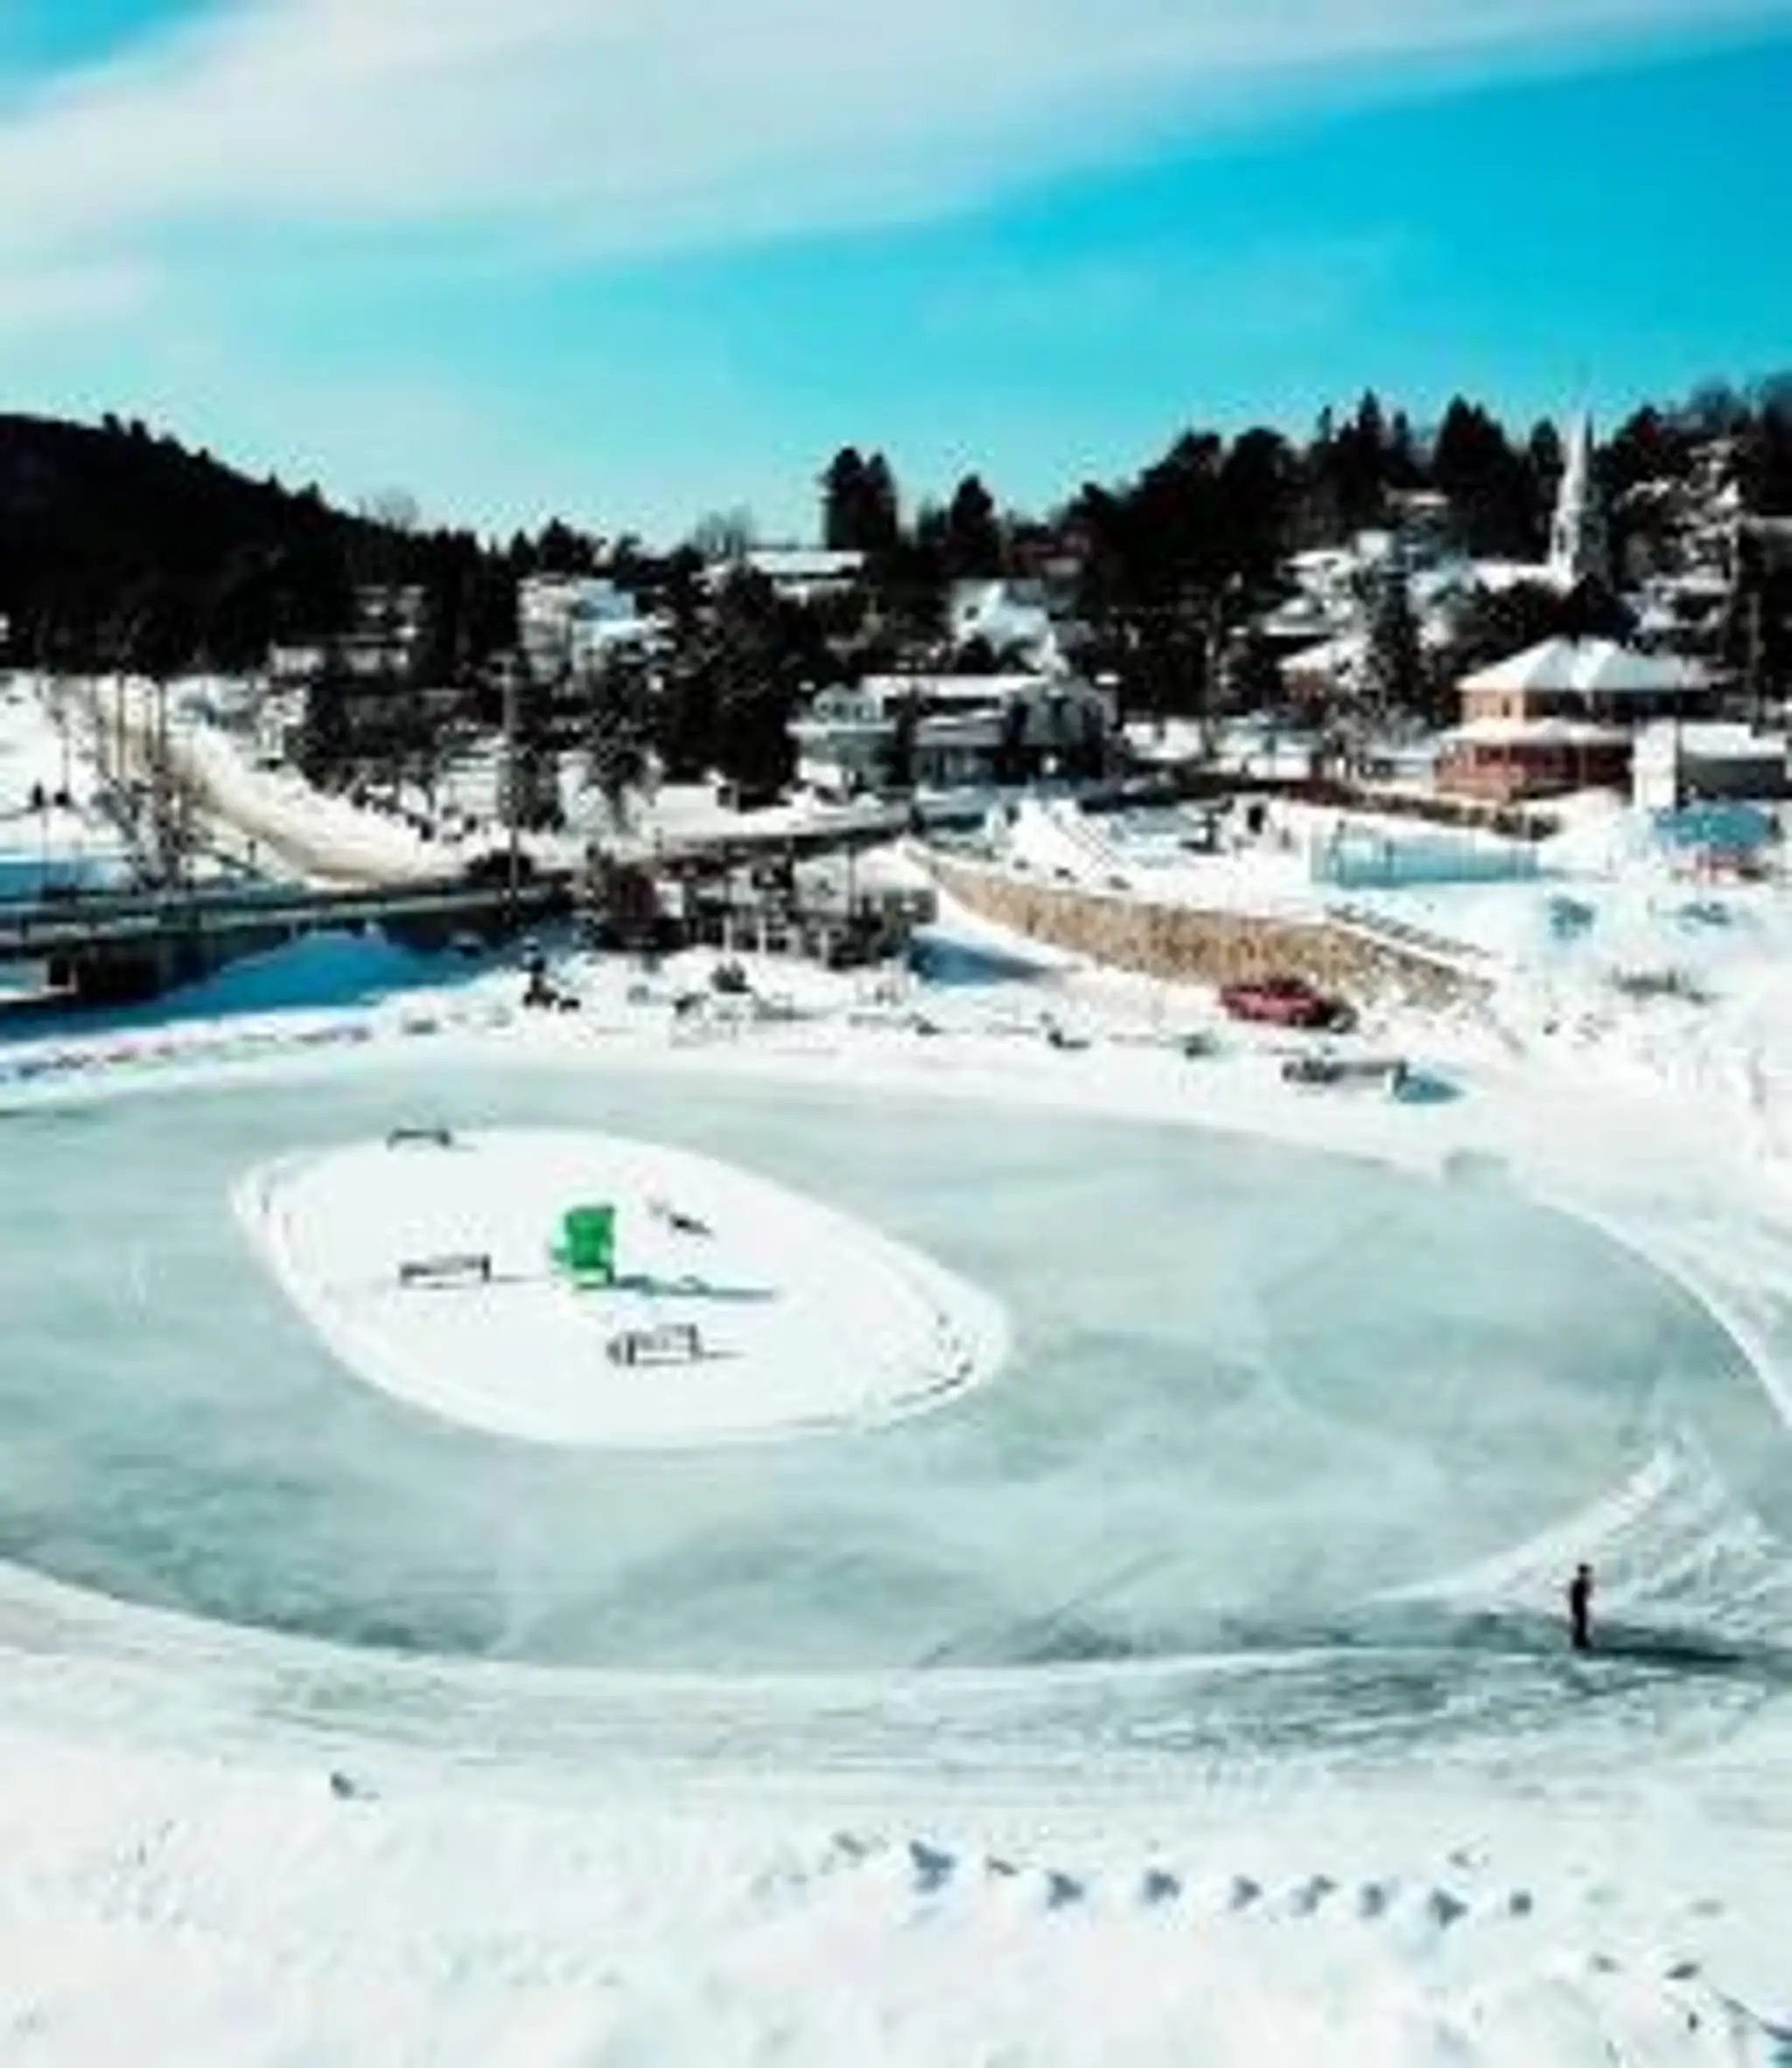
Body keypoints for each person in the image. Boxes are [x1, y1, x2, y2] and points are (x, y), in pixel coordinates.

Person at [1568, 1563, 1594, 1652]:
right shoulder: (1582, 1582)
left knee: (1580, 1624)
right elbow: (1587, 1594)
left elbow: (1571, 1595)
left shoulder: (1577, 1582)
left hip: (1577, 1605)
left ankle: (1579, 1642)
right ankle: (1580, 1642)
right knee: (1581, 1624)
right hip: (1580, 1606)